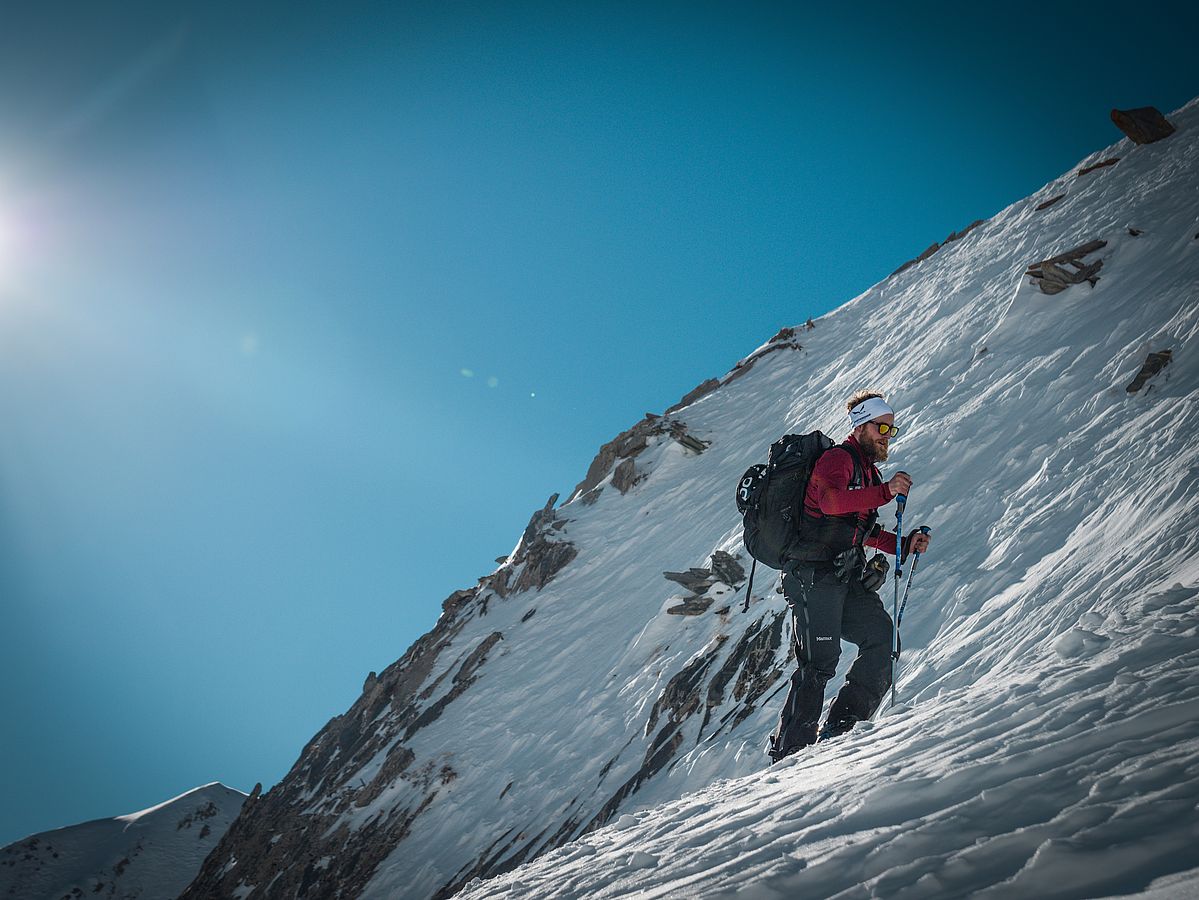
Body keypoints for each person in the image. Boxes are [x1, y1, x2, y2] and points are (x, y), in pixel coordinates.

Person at [768, 391, 932, 761]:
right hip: (813, 576)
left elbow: (861, 529)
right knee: (819, 661)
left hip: (844, 575)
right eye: (882, 426)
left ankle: (841, 731)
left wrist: (903, 545)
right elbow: (829, 503)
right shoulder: (837, 460)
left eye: (891, 428)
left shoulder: (867, 471)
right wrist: (885, 492)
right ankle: (790, 752)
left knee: (882, 641)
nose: (887, 434)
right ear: (861, 425)